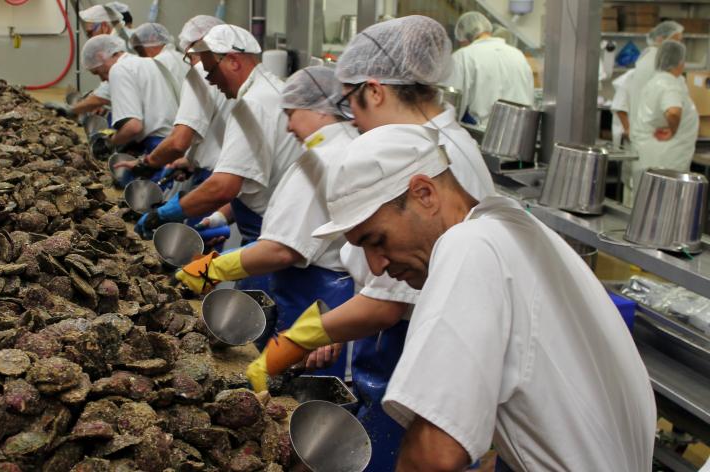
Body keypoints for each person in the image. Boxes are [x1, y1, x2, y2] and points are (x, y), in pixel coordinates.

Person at [306, 123, 657, 470]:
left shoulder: (470, 246)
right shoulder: (512, 229)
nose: (376, 266)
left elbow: (433, 456)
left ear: (424, 194)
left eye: (377, 240)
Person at [245, 16, 497, 471]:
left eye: (351, 105)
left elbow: (386, 301)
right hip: (397, 346)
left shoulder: (438, 157)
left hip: (415, 355)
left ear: (376, 90)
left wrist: (289, 346)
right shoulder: (432, 144)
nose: (352, 120)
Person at [175, 66, 357, 364]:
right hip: (315, 292)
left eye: (291, 114)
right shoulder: (339, 147)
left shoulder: (325, 158)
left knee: (299, 391)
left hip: (318, 295)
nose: (287, 127)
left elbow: (280, 250)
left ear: (320, 110)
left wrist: (209, 271)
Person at [134, 25, 302, 243]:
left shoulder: (252, 105)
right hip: (269, 223)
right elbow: (258, 180)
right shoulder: (271, 90)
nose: (211, 81)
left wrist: (164, 214)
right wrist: (219, 217)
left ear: (233, 61)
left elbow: (223, 187)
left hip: (272, 232)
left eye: (211, 70)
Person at [114, 15, 230, 192]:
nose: (191, 64)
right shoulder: (235, 73)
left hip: (213, 174)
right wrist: (190, 160)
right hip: (220, 169)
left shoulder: (201, 72)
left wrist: (146, 163)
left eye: (190, 57)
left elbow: (178, 142)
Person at [443, 11, 534, 127]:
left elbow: (450, 106)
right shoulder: (518, 54)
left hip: (484, 134)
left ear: (464, 37)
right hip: (520, 131)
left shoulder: (464, 56)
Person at [631, 40, 698, 190]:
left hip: (652, 156)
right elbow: (673, 112)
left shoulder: (655, 82)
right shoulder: (669, 84)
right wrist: (672, 131)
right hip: (666, 159)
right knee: (665, 203)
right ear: (680, 62)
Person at [107, 30, 183, 156]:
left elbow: (133, 127)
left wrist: (111, 142)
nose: (141, 56)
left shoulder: (123, 68)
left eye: (140, 51)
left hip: (163, 140)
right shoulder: (175, 58)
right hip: (176, 136)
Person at [619, 20, 685, 138]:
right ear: (661, 39)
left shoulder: (647, 57)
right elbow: (673, 110)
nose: (679, 46)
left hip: (643, 132)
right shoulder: (659, 63)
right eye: (677, 41)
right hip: (656, 135)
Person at [128, 23, 191, 95]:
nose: (142, 57)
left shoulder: (157, 63)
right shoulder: (182, 56)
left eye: (140, 51)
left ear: (152, 38)